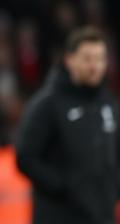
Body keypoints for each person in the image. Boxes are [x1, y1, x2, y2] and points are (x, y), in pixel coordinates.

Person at [16, 26, 118, 223]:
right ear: (69, 60)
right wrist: (62, 187)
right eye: (87, 59)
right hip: (60, 216)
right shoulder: (48, 104)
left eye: (100, 59)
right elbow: (25, 157)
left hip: (102, 216)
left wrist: (113, 187)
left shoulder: (108, 104)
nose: (94, 66)